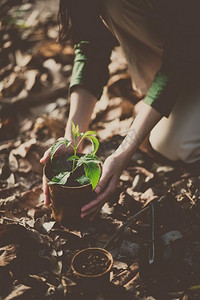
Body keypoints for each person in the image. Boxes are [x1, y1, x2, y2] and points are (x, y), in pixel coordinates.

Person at [40, 0, 200, 221]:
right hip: (184, 62)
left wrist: (125, 151)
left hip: (189, 48)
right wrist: (71, 139)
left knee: (179, 144)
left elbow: (182, 53)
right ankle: (166, 103)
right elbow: (91, 44)